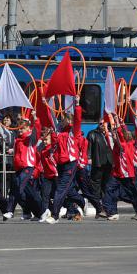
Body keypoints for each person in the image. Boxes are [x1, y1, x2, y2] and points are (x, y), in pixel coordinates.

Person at [45, 96, 82, 224]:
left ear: (69, 121)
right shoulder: (59, 131)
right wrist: (47, 105)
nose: (62, 120)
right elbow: (52, 119)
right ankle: (81, 203)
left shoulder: (74, 131)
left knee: (61, 189)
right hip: (60, 164)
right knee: (64, 189)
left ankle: (55, 215)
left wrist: (77, 105)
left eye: (65, 119)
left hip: (71, 163)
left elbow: (77, 119)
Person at [102, 117, 137, 220]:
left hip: (127, 174)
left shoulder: (125, 145)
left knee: (131, 194)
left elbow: (120, 135)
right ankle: (111, 212)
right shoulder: (116, 145)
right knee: (109, 189)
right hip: (117, 173)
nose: (114, 135)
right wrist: (108, 127)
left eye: (116, 134)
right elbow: (110, 137)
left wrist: (118, 123)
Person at [6, 113, 44, 220]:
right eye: (19, 128)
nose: (20, 130)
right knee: (28, 193)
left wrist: (35, 118)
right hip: (19, 168)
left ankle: (10, 211)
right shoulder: (18, 140)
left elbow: (37, 130)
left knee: (18, 187)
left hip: (28, 167)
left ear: (28, 128)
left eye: (22, 128)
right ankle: (40, 212)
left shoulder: (31, 138)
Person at [86, 120, 114, 198]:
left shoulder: (110, 134)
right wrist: (88, 157)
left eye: (104, 123)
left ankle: (105, 199)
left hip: (108, 161)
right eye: (100, 123)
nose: (102, 125)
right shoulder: (92, 133)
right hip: (98, 160)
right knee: (96, 181)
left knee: (107, 181)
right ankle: (96, 198)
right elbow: (89, 146)